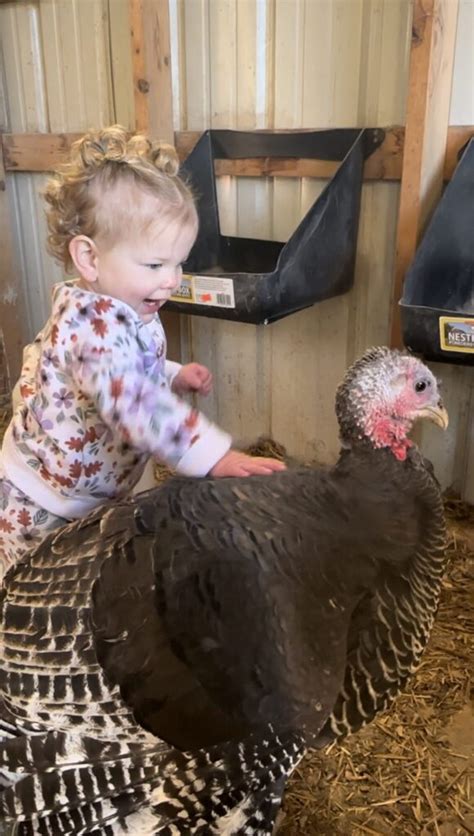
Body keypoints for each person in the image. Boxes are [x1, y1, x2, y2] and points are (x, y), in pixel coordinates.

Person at [0, 125, 285, 582]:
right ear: (89, 259)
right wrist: (214, 456)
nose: (172, 280)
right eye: (155, 264)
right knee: (30, 591)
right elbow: (131, 401)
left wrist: (171, 375)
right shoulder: (89, 328)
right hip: (47, 500)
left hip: (99, 485)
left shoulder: (129, 304)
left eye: (179, 263)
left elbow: (128, 368)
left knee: (96, 576)